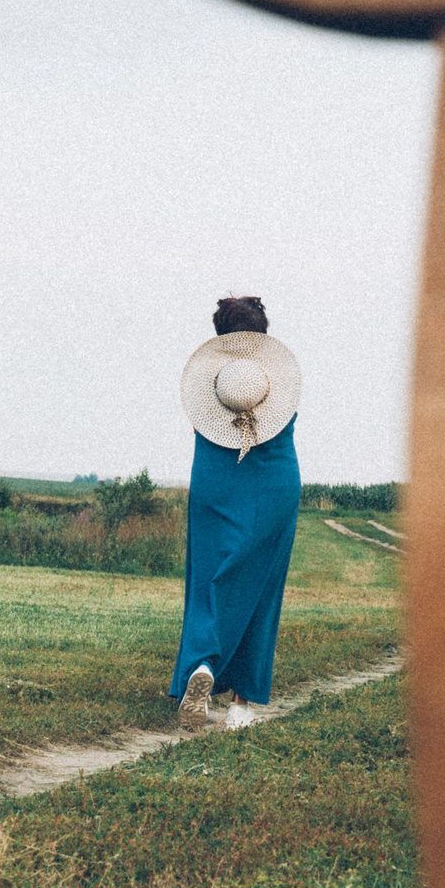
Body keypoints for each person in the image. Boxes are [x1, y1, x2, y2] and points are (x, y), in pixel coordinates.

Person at [170, 295, 302, 732]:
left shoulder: (211, 386)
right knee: (261, 592)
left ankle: (201, 665)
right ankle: (241, 706)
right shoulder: (273, 382)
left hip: (215, 484)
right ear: (262, 334)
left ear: (220, 336)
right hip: (274, 487)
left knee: (208, 581)